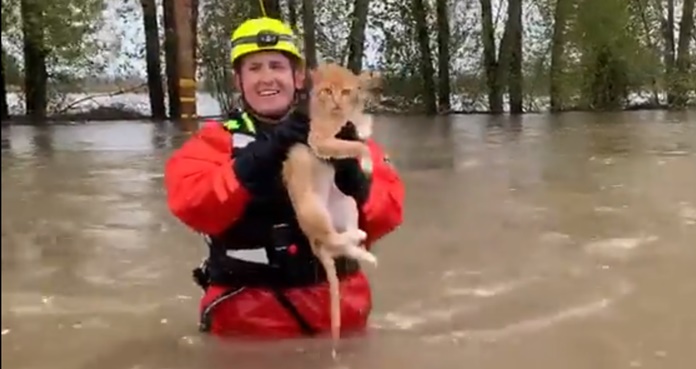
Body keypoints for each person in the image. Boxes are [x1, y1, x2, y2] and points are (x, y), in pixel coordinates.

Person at [163, 16, 405, 339]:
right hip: (248, 315)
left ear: (299, 76)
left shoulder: (348, 136)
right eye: (254, 68)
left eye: (276, 66)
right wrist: (260, 158)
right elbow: (192, 204)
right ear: (238, 81)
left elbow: (388, 214)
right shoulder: (213, 143)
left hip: (341, 310)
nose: (267, 78)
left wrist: (355, 180)